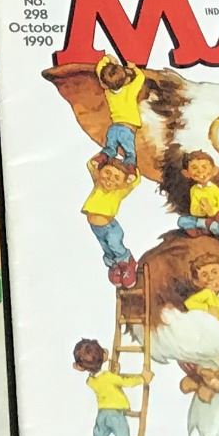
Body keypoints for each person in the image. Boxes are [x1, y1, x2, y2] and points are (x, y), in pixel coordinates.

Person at [71, 338, 138, 436]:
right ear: (103, 356)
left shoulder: (91, 381)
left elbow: (102, 380)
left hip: (102, 416)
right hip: (116, 415)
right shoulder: (109, 377)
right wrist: (143, 378)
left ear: (80, 367)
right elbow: (125, 382)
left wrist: (112, 370)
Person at [80, 152, 141, 287]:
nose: (110, 179)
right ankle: (116, 267)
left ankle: (128, 264)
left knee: (114, 245)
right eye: (107, 173)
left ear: (122, 182)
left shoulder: (119, 190)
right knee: (106, 248)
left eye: (116, 177)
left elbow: (135, 181)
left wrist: (131, 167)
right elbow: (91, 164)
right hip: (96, 228)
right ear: (100, 172)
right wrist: (107, 153)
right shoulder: (98, 183)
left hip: (110, 228)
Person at [95, 54, 146, 165]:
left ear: (104, 84)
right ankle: (130, 166)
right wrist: (133, 68)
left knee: (110, 146)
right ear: (126, 80)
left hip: (114, 128)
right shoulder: (130, 90)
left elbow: (99, 69)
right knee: (130, 153)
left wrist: (107, 58)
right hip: (127, 129)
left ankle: (105, 155)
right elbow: (141, 77)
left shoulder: (108, 92)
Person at [179, 151, 219, 237]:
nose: (200, 171)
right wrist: (203, 210)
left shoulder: (215, 189)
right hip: (202, 218)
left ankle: (217, 227)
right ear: (186, 173)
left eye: (204, 167)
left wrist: (212, 211)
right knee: (182, 220)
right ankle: (207, 224)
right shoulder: (194, 190)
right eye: (194, 168)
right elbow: (193, 210)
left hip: (218, 217)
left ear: (214, 171)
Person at [183, 248, 219, 320]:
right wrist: (207, 308)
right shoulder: (207, 293)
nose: (211, 277)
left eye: (215, 272)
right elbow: (188, 303)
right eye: (204, 275)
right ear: (197, 282)